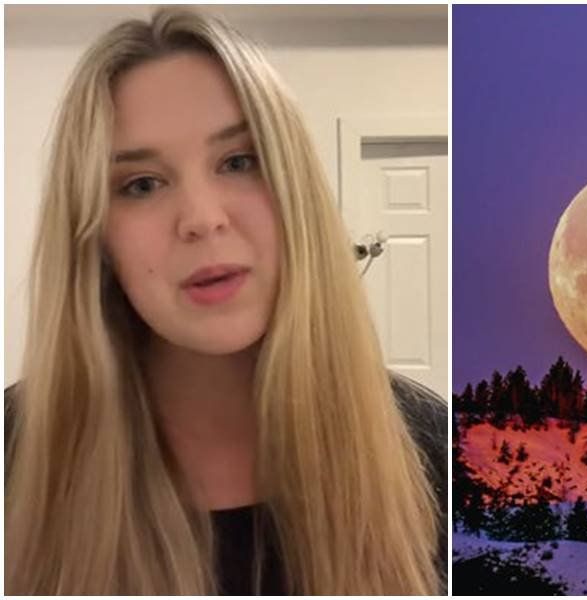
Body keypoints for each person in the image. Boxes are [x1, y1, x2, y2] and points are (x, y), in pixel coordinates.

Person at [4, 8, 446, 595]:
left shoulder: (441, 450)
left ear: (296, 191)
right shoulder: (16, 454)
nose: (203, 219)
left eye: (239, 162)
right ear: (97, 238)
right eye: (141, 184)